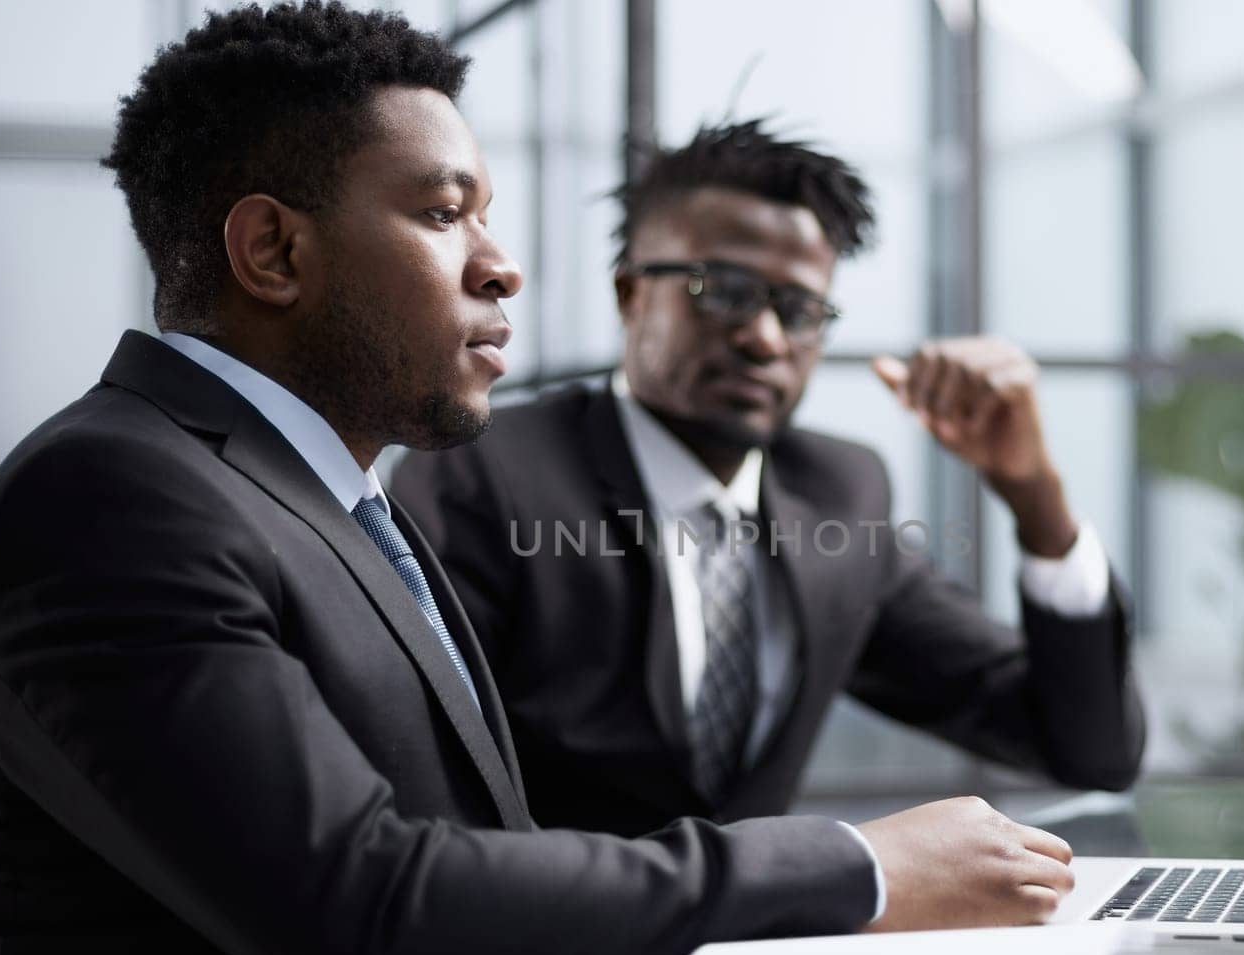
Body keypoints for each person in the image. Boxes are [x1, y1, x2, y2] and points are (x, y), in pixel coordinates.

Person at [0, 6, 1079, 955]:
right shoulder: (111, 499)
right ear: (274, 253)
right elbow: (365, 903)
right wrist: (857, 864)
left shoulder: (330, 498)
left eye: (486, 214)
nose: (501, 262)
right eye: (443, 213)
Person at [390, 121, 1146, 838]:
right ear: (631, 295)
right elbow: (425, 805)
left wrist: (1035, 496)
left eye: (799, 307)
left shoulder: (840, 494)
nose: (765, 337)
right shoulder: (483, 472)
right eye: (722, 290)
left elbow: (1089, 749)